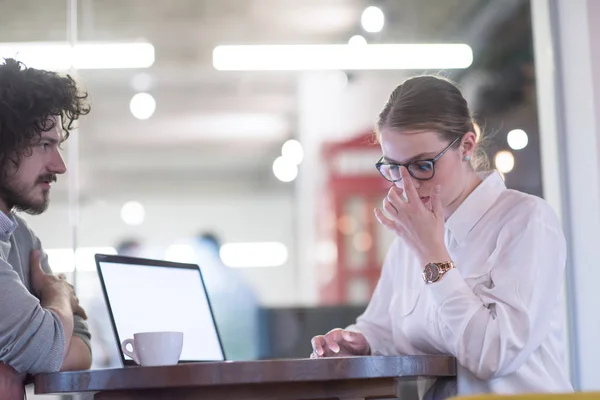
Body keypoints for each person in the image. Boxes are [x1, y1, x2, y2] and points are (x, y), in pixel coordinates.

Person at [310, 75, 573, 395]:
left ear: (466, 145)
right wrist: (358, 344)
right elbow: (384, 329)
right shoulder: (408, 243)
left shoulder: (525, 222)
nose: (406, 184)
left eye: (422, 165)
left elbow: (492, 357)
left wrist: (433, 254)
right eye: (393, 167)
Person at [0, 58, 92, 379]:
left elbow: (81, 344)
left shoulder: (24, 240)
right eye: (44, 145)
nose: (60, 166)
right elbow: (47, 348)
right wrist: (58, 295)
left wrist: (12, 367)